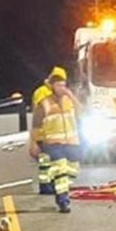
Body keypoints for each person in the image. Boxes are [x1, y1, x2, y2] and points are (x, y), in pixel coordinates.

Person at [29, 68, 80, 213]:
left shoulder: (69, 100)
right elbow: (36, 123)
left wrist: (72, 96)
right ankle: (63, 201)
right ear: (52, 86)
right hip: (53, 143)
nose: (62, 89)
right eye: (58, 85)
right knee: (61, 170)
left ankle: (60, 191)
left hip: (72, 142)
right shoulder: (45, 101)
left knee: (72, 171)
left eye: (64, 85)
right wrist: (34, 143)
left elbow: (82, 112)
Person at [30, 66, 68, 195]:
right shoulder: (42, 92)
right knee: (45, 162)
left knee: (50, 161)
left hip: (52, 133)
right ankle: (46, 186)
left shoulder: (50, 92)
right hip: (44, 133)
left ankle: (49, 184)